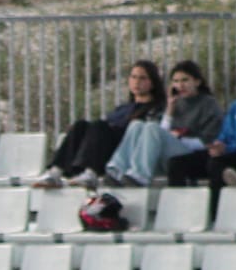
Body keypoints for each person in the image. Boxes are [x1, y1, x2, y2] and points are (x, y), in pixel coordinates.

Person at [33, 60, 165, 187]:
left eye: (142, 78)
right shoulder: (123, 108)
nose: (137, 82)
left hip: (124, 152)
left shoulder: (156, 108)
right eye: (133, 77)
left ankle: (91, 173)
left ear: (153, 82)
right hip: (105, 146)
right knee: (81, 125)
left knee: (99, 126)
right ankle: (55, 173)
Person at [102, 59, 221, 187]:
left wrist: (179, 138)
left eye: (185, 80)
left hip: (189, 155)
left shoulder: (208, 103)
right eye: (176, 81)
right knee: (137, 124)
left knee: (152, 127)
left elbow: (207, 142)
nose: (180, 85)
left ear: (197, 82)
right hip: (166, 155)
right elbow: (160, 133)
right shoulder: (173, 103)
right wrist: (169, 110)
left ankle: (140, 175)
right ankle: (116, 169)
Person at [168, 58, 236, 202]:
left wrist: (226, 147)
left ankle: (216, 208)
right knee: (179, 163)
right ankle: (182, 207)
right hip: (231, 152)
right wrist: (219, 144)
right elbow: (225, 133)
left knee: (219, 163)